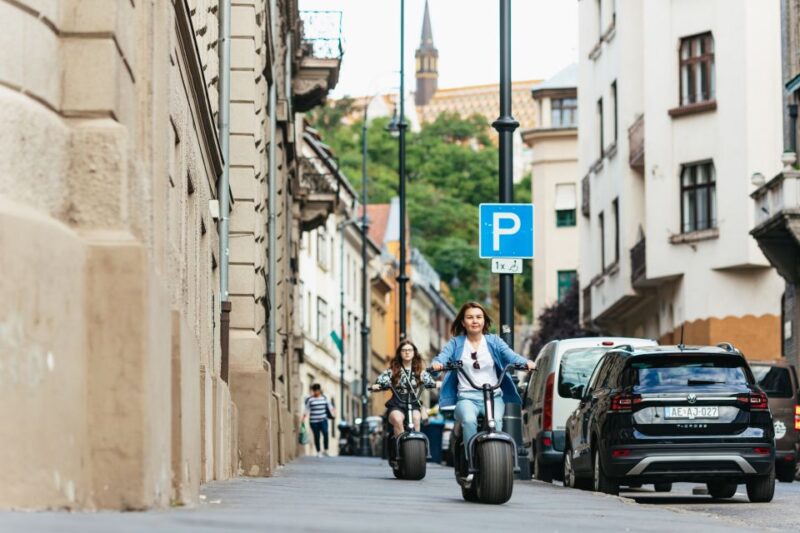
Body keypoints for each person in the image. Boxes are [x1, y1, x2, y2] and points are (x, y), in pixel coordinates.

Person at [431, 301, 535, 459]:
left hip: (494, 396)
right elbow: (442, 357)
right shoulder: (456, 343)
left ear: (484, 321)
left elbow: (511, 357)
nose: (475, 321)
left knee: (497, 423)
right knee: (469, 420)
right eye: (470, 317)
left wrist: (526, 363)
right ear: (463, 322)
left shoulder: (494, 341)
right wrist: (437, 365)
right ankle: (470, 459)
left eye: (479, 317)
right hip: (467, 398)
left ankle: (497, 461)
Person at [373, 340, 436, 437]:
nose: (407, 352)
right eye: (404, 350)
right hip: (397, 403)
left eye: (410, 350)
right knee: (397, 419)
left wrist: (440, 384)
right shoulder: (393, 371)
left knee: (416, 419)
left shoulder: (420, 371)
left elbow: (432, 383)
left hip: (413, 403)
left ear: (414, 353)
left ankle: (415, 447)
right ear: (399, 353)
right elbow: (379, 383)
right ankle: (402, 446)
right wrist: (378, 386)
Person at [302, 384, 336, 457]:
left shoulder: (324, 398)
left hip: (323, 420)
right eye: (314, 391)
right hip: (314, 421)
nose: (316, 392)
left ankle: (326, 450)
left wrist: (333, 412)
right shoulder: (310, 400)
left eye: (317, 390)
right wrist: (303, 418)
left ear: (319, 390)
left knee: (325, 433)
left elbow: (330, 406)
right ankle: (318, 451)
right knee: (317, 436)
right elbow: (306, 409)